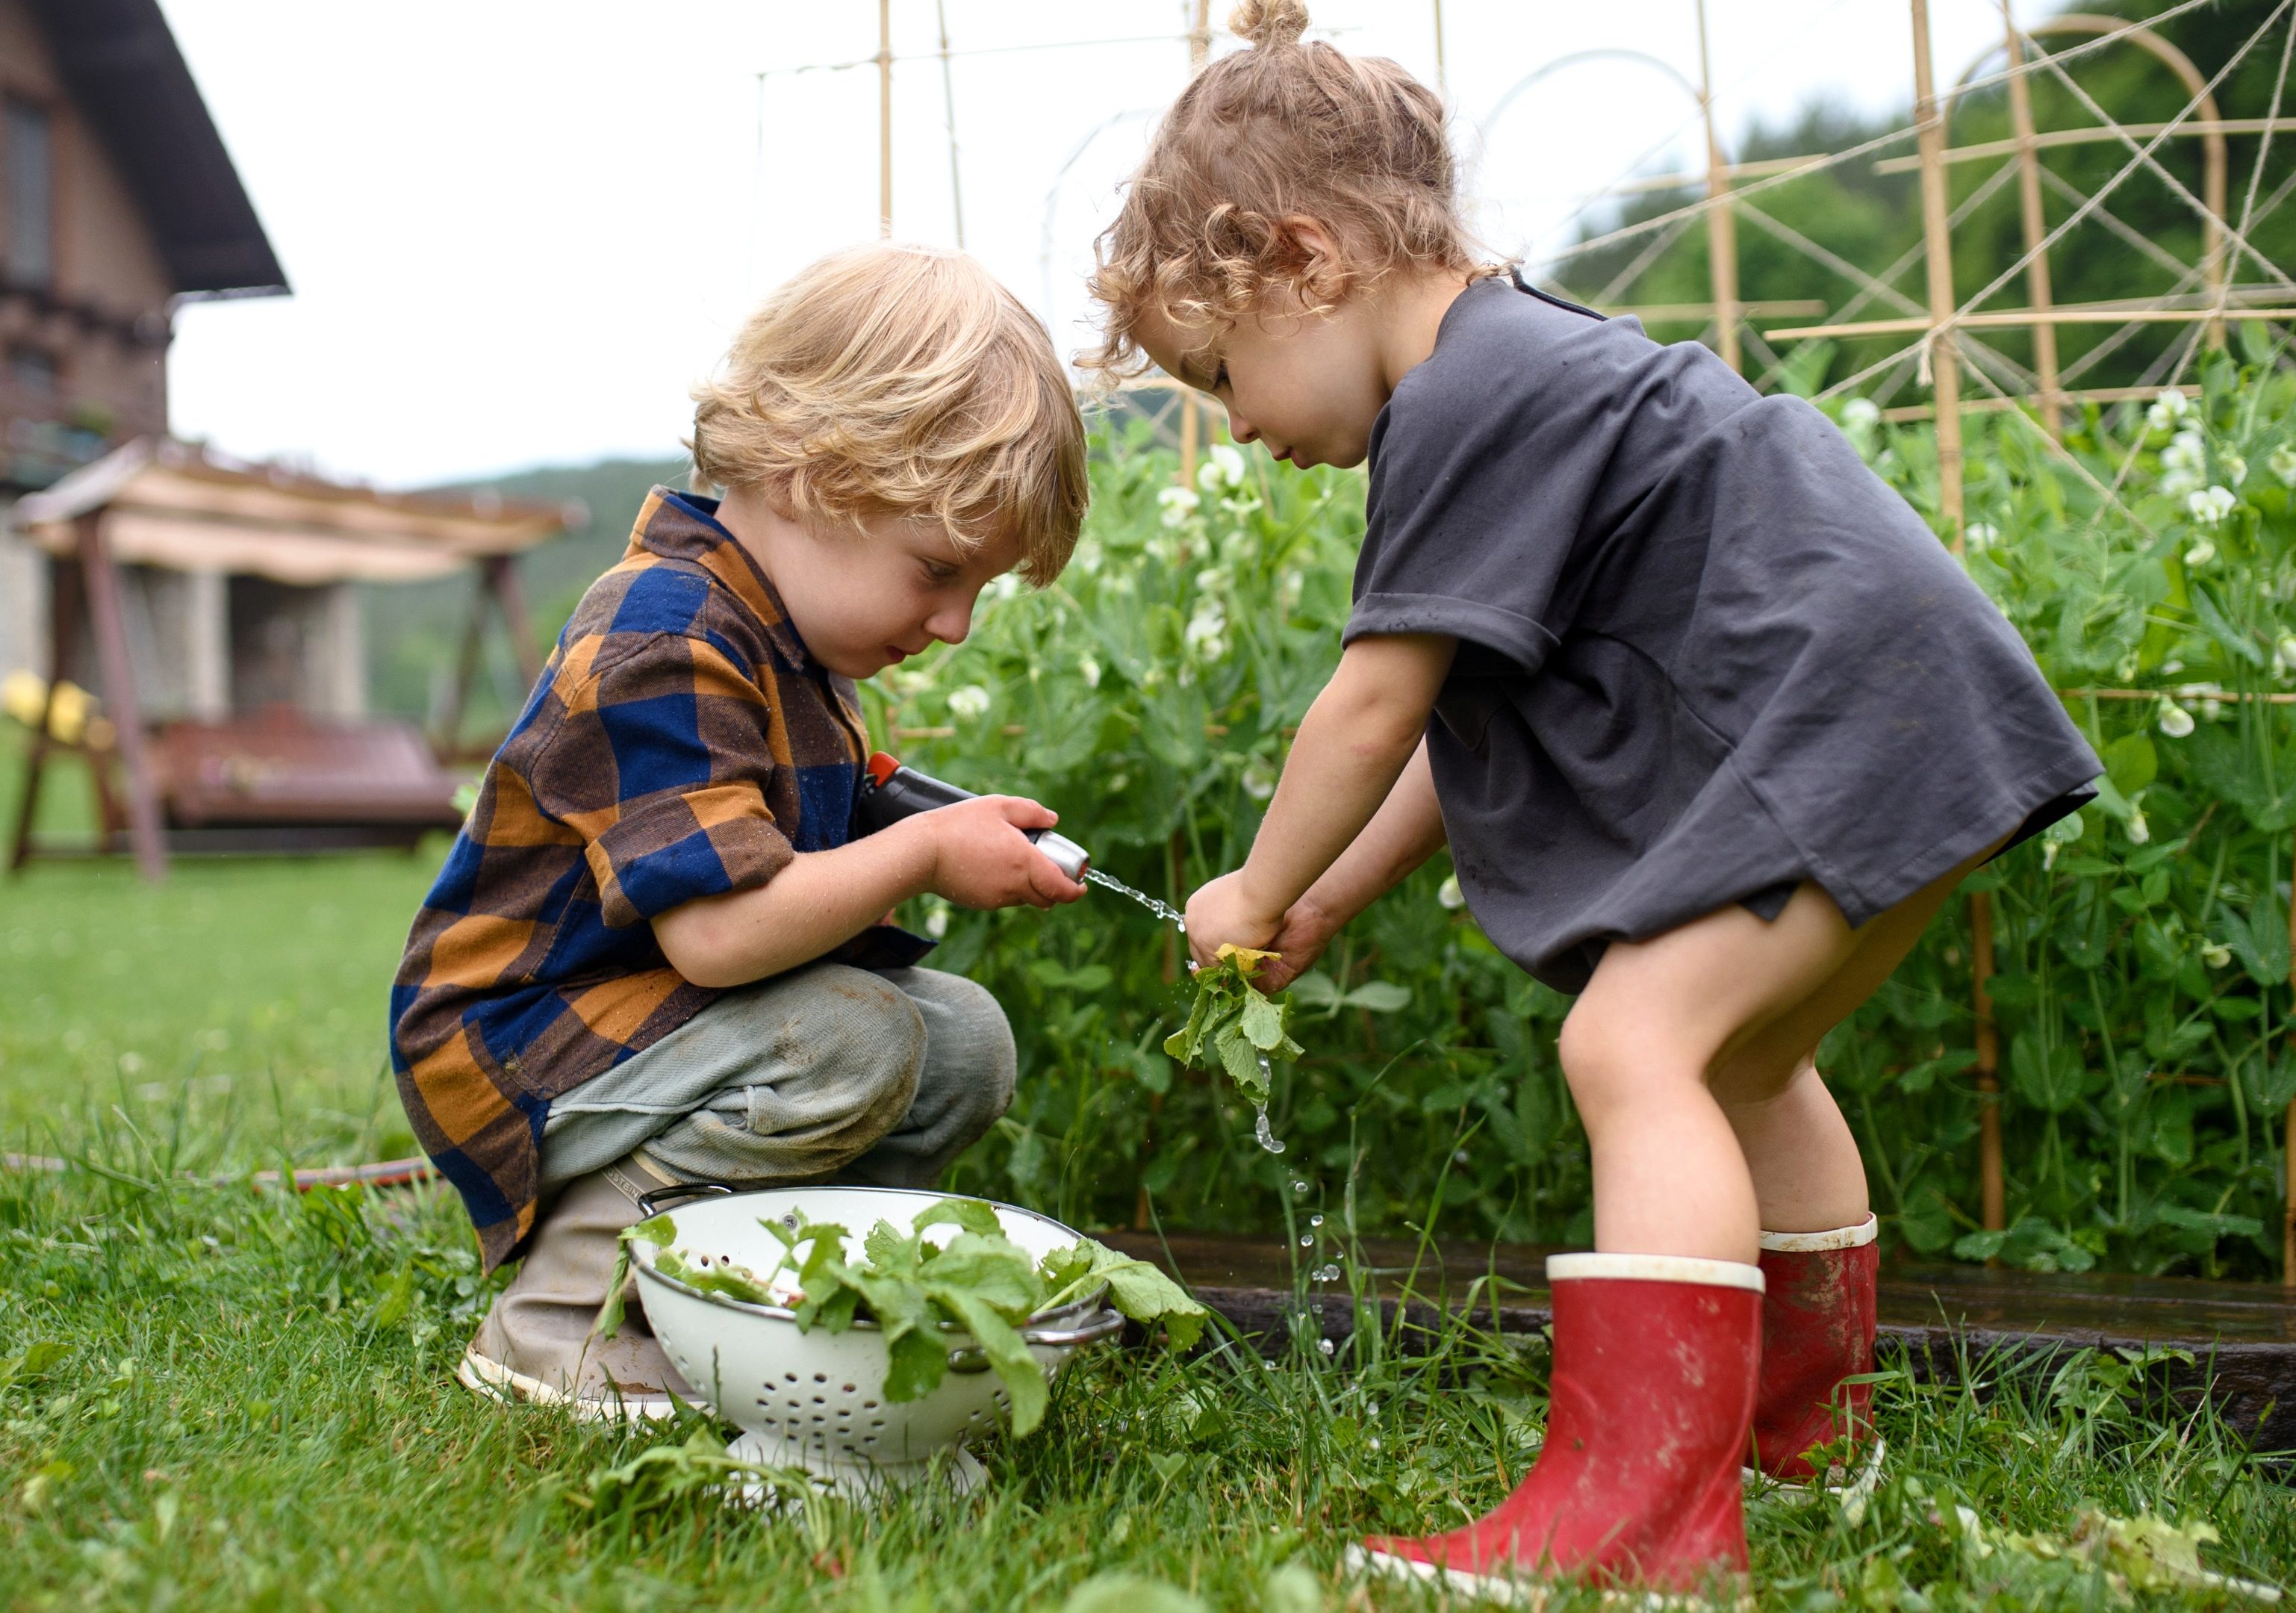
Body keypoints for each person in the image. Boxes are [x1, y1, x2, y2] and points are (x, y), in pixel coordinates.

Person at [1089, 1, 2098, 1597]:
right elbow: (1464, 716)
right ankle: (1802, 1452)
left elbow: (1373, 706)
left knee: (1632, 1043)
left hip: (1835, 716)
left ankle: (1643, 1518)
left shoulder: (1465, 400)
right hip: (1905, 710)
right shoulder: (1520, 360)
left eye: (1224, 372)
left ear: (1304, 260)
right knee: (1750, 1061)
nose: (1241, 427)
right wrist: (1340, 900)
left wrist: (1256, 890)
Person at [391, 243, 1089, 1419]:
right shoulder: (665, 631)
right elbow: (719, 937)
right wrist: (920, 854)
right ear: (815, 473)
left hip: (663, 1033)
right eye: (938, 571)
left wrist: (909, 813)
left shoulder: (790, 640)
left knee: (962, 1040)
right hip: (528, 1041)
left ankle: (784, 1297)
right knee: (847, 1040)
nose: (958, 624)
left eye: (981, 589)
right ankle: (565, 1323)